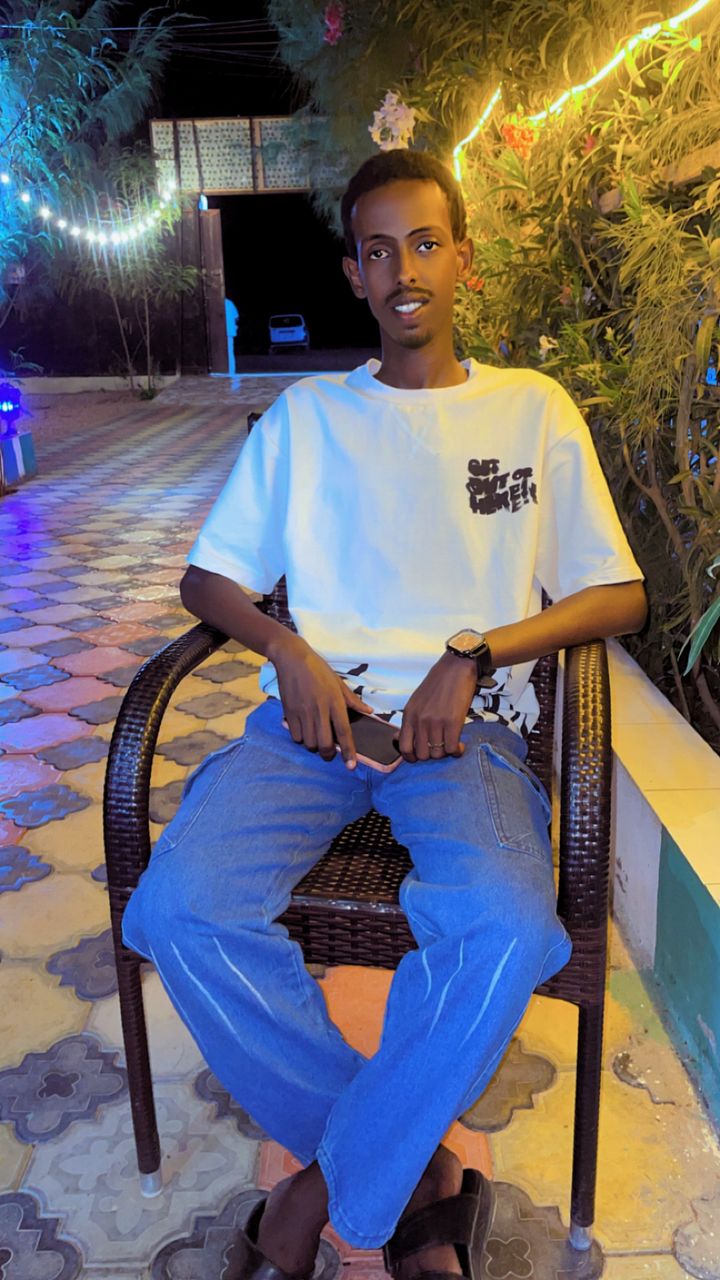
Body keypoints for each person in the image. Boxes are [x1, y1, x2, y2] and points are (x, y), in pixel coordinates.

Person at [122, 149, 647, 1280]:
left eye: (424, 243)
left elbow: (620, 593)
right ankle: (407, 1180)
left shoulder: (531, 409)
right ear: (354, 275)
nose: (403, 269)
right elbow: (209, 579)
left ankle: (326, 1193)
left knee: (507, 927)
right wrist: (286, 647)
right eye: (377, 250)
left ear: (462, 259)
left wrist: (478, 649)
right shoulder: (309, 417)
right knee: (179, 909)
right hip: (312, 733)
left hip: (467, 738)